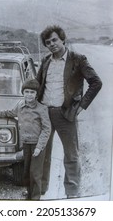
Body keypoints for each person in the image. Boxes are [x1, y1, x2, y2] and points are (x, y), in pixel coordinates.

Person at [36, 25, 102, 198]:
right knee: (42, 153)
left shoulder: (77, 59)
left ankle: (71, 193)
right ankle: (41, 190)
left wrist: (80, 107)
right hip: (44, 113)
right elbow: (37, 85)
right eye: (48, 42)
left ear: (63, 39)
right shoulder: (45, 61)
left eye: (54, 40)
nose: (52, 44)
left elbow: (96, 82)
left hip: (65, 114)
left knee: (71, 154)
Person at [0, 79, 52, 200]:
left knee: (35, 173)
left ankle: (35, 198)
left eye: (32, 92)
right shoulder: (20, 105)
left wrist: (39, 147)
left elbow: (46, 129)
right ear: (23, 93)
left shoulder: (42, 109)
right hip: (25, 144)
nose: (29, 95)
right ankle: (29, 194)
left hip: (37, 145)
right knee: (26, 171)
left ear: (36, 94)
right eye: (26, 91)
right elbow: (8, 112)